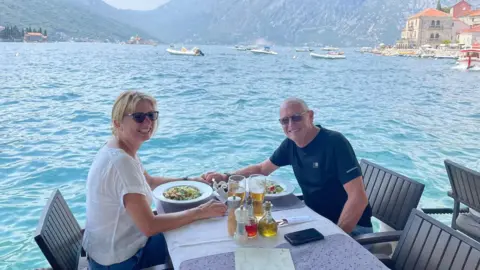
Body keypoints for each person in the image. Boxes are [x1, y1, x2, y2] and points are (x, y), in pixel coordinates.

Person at [83, 91, 227, 270]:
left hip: (111, 250)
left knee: (193, 230)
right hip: (121, 261)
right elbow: (149, 226)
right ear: (117, 123)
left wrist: (190, 180)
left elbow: (149, 181)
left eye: (151, 115)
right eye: (138, 117)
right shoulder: (122, 163)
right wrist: (199, 212)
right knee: (199, 238)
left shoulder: (119, 147)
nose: (148, 122)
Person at [203, 98, 372, 236]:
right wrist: (226, 176)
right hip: (316, 218)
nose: (290, 124)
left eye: (296, 117)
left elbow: (358, 198)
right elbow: (262, 169)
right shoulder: (291, 144)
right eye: (285, 120)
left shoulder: (335, 143)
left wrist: (337, 235)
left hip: (352, 228)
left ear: (310, 116)